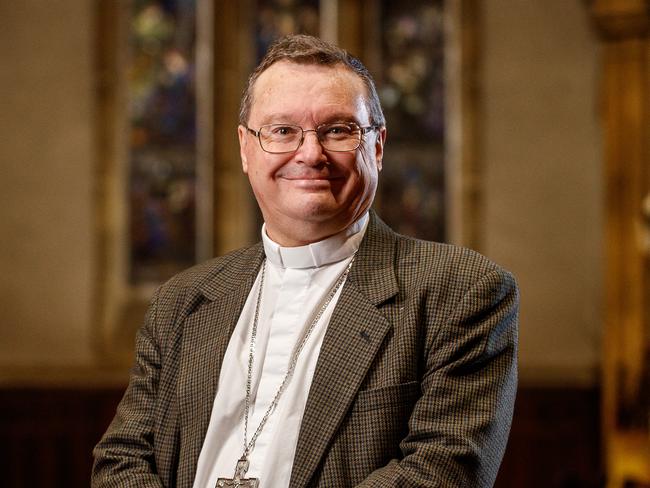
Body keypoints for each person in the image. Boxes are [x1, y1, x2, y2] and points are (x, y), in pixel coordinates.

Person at [93, 34, 518, 488]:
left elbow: (443, 472)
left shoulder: (460, 290)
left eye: (338, 130)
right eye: (282, 131)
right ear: (245, 147)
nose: (311, 154)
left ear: (376, 147)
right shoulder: (182, 300)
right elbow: (121, 460)